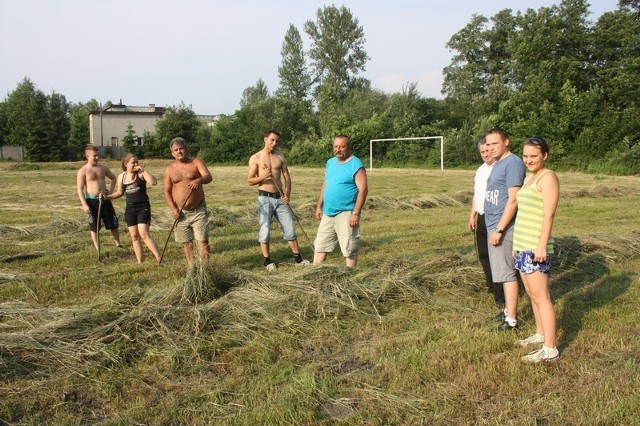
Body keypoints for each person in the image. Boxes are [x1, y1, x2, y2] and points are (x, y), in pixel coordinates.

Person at [513, 137, 560, 362]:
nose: (529, 160)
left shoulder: (547, 177)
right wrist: (516, 245)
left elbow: (549, 214)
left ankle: (550, 349)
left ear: (545, 156)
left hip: (535, 247)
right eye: (526, 156)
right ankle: (540, 334)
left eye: (534, 156)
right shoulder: (529, 178)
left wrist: (541, 245)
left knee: (542, 297)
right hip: (523, 245)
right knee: (532, 294)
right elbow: (522, 213)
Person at [247, 129, 310, 270]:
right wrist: (263, 177)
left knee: (290, 228)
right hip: (265, 198)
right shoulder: (255, 158)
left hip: (280, 198)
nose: (275, 143)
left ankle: (298, 260)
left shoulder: (280, 157)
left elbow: (287, 178)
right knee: (265, 230)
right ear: (265, 139)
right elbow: (250, 180)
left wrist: (287, 194)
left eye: (277, 141)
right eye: (272, 140)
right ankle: (267, 261)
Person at [484, 128, 525, 331]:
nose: (490, 148)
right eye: (488, 144)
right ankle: (508, 311)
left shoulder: (513, 163)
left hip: (505, 227)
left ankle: (511, 320)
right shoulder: (497, 164)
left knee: (507, 273)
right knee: (501, 272)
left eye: (495, 143)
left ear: (506, 142)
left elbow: (514, 199)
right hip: (493, 225)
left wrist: (500, 229)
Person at [313, 135, 368, 268]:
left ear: (349, 147)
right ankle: (315, 273)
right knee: (320, 246)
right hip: (328, 212)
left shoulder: (356, 164)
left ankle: (350, 275)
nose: (338, 150)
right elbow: (325, 185)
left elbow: (363, 190)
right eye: (336, 146)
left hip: (346, 213)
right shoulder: (330, 162)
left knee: (349, 249)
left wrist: (355, 213)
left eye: (342, 146)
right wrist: (319, 206)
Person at [163, 137, 212, 264]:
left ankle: (206, 268)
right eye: (176, 150)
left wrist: (198, 180)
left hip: (198, 210)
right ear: (172, 153)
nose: (179, 151)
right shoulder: (169, 169)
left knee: (202, 239)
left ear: (186, 150)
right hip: (181, 212)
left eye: (181, 148)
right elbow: (167, 191)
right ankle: (192, 268)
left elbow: (208, 176)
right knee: (186, 242)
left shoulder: (196, 162)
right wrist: (173, 209)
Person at [468, 138, 504, 308]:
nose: (485, 154)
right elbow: (477, 195)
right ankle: (491, 284)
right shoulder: (480, 170)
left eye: (488, 151)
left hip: (495, 217)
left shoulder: (500, 168)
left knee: (497, 256)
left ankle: (502, 294)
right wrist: (472, 216)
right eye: (482, 152)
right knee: (484, 255)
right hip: (481, 217)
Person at [106, 154, 162, 265]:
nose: (136, 164)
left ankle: (159, 258)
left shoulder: (141, 173)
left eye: (137, 162)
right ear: (125, 164)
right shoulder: (121, 177)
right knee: (134, 236)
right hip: (130, 208)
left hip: (143, 207)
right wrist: (107, 197)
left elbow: (154, 182)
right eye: (133, 162)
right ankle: (140, 262)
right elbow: (119, 193)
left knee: (144, 234)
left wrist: (144, 170)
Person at [76, 144, 122, 250]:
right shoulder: (83, 171)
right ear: (87, 156)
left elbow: (113, 178)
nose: (97, 157)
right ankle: (98, 247)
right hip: (92, 201)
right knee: (94, 226)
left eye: (98, 155)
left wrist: (109, 193)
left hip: (105, 200)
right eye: (94, 156)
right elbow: (80, 189)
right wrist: (84, 205)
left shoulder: (103, 168)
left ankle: (118, 244)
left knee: (113, 223)